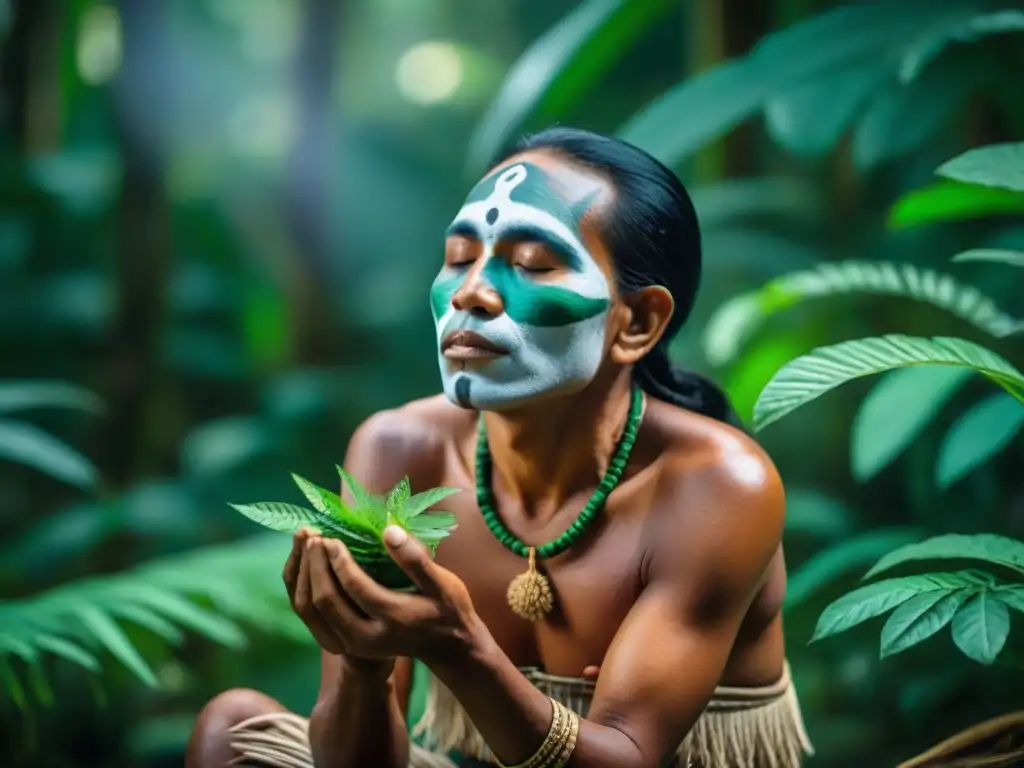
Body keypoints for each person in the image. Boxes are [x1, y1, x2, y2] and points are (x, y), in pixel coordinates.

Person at [186, 127, 813, 768]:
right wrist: (361, 661)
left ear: (639, 321)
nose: (470, 293)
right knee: (234, 733)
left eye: (533, 265)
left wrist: (462, 650)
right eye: (459, 257)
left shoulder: (716, 485)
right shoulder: (399, 449)